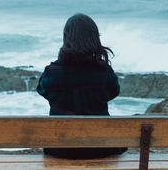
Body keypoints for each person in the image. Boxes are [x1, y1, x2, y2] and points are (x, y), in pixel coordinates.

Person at [37, 13, 127, 159]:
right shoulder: (104, 71)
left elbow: (42, 89)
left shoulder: (52, 72)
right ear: (94, 39)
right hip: (100, 148)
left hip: (60, 149)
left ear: (66, 38)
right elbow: (114, 91)